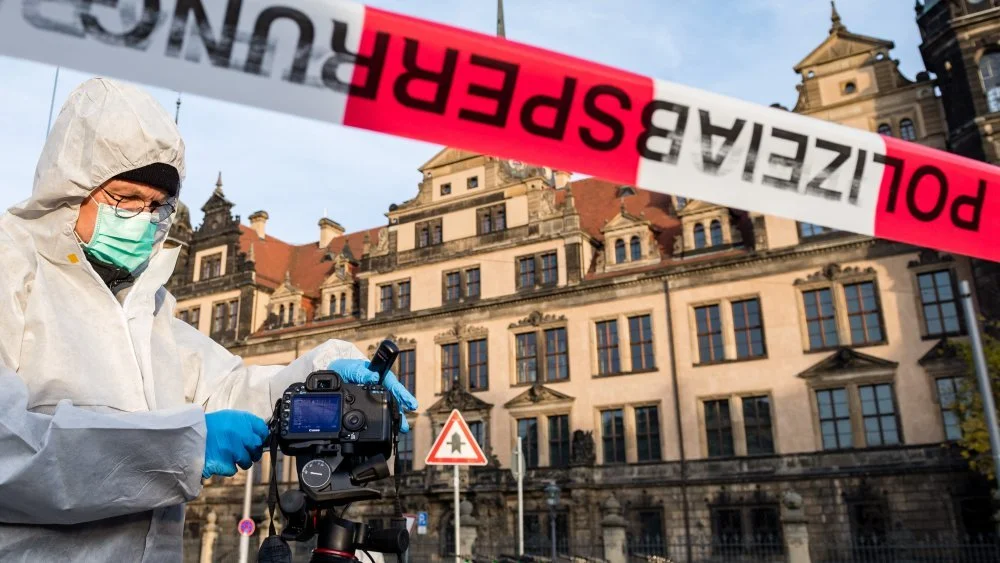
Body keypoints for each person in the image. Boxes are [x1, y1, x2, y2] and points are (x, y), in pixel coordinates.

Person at [0, 77, 417, 561]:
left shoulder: (145, 308)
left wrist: (329, 371)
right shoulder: (14, 270)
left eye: (157, 206)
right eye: (126, 198)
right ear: (70, 189)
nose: (143, 218)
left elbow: (230, 389)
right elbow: (9, 451)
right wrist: (182, 448)